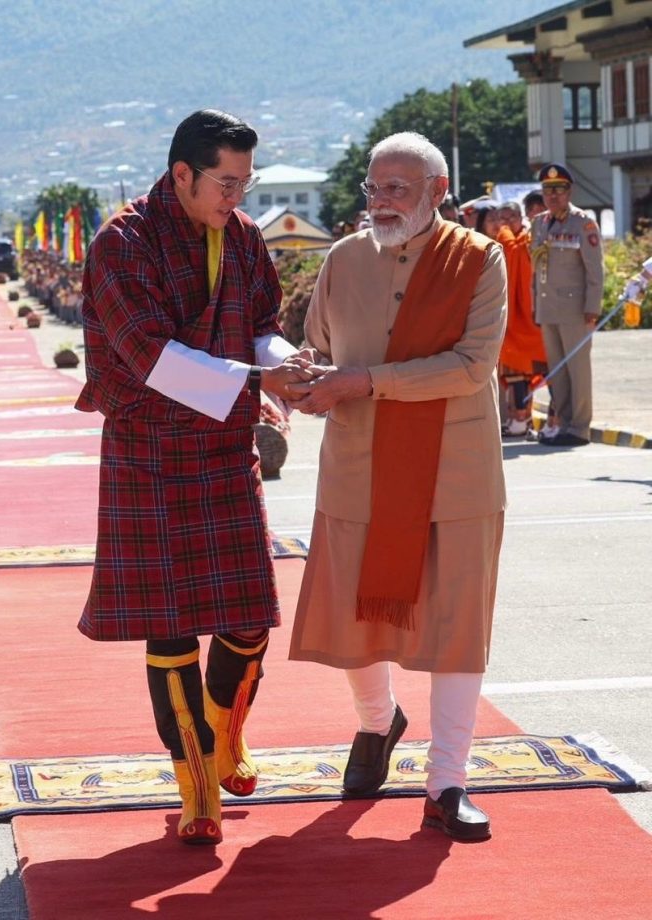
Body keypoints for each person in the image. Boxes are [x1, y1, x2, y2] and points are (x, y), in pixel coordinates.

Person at [75, 109, 313, 846]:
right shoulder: (122, 242)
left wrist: (287, 362)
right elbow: (151, 358)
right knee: (170, 624)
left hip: (225, 444)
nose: (236, 199)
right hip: (149, 447)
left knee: (249, 616)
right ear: (182, 173)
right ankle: (196, 785)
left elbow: (263, 323)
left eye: (245, 184)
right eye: (225, 183)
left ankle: (223, 733)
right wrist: (261, 382)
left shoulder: (241, 235)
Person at [286, 131, 507, 841]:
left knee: (458, 626)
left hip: (456, 471)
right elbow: (315, 347)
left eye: (397, 189)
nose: (380, 201)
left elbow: (471, 366)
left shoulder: (480, 259)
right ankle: (378, 723)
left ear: (438, 192)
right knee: (355, 614)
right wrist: (299, 378)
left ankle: (447, 783)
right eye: (373, 187)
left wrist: (363, 382)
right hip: (357, 465)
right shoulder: (344, 258)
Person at [530, 163, 604, 446]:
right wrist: (535, 305)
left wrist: (592, 308)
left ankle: (579, 428)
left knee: (578, 370)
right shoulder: (539, 223)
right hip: (547, 307)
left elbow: (594, 271)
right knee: (557, 372)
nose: (553, 196)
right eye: (548, 191)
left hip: (576, 310)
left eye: (558, 190)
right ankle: (563, 424)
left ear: (569, 192)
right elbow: (536, 269)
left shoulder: (583, 224)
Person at [496, 200, 548, 437]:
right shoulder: (502, 240)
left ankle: (536, 418)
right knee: (515, 372)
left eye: (512, 217)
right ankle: (519, 419)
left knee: (541, 370)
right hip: (511, 318)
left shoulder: (528, 239)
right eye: (503, 218)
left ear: (520, 217)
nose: (507, 223)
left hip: (532, 315)